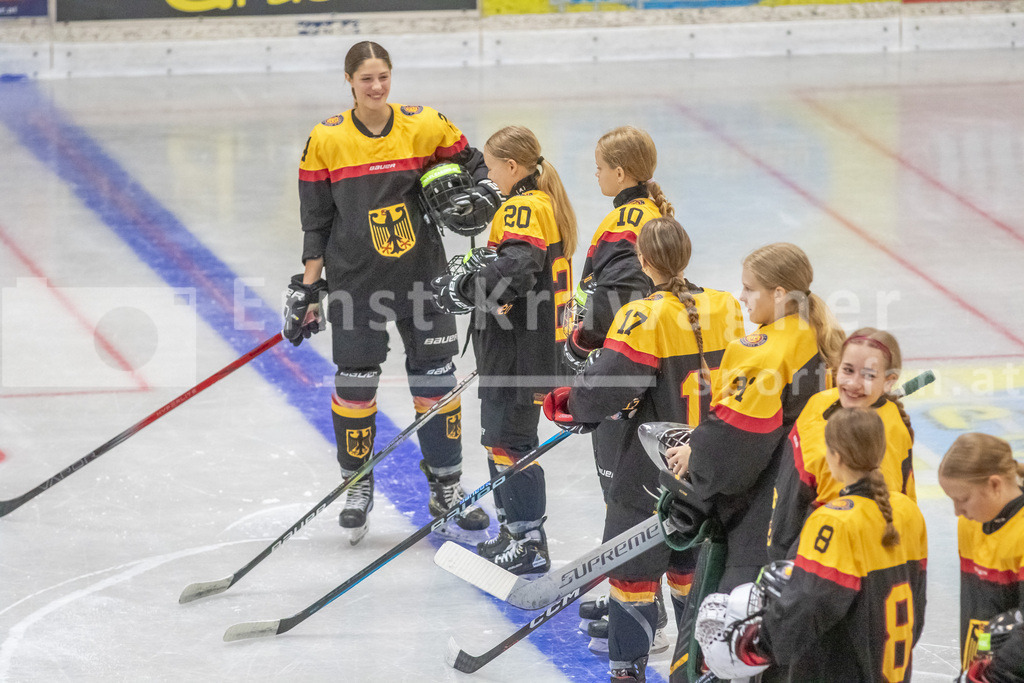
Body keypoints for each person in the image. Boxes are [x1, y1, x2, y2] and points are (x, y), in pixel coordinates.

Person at [282, 41, 500, 542]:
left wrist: (481, 193)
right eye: (366, 80)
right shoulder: (327, 139)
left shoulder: (424, 125)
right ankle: (356, 486)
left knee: (436, 383)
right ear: (349, 82)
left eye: (383, 77)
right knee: (356, 385)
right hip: (356, 282)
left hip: (423, 278)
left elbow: (477, 166)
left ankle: (446, 489)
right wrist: (308, 289)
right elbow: (315, 221)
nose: (376, 87)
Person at [544, 216, 744, 682]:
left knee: (632, 575)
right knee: (693, 568)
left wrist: (569, 404)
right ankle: (698, 667)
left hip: (649, 471)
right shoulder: (727, 306)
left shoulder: (643, 316)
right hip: (708, 463)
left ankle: (627, 671)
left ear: (644, 262)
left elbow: (602, 391)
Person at [661, 242, 843, 682]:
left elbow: (738, 444)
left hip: (762, 511)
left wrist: (696, 457)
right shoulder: (814, 335)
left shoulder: (763, 350)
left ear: (780, 294)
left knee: (733, 633)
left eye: (749, 289)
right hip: (807, 502)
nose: (742, 299)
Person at [432, 124, 577, 576]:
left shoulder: (523, 207)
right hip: (526, 349)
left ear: (512, 167)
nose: (488, 177)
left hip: (519, 352)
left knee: (510, 443)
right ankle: (514, 530)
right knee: (502, 441)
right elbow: (514, 264)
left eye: (492, 169)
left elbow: (518, 271)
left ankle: (529, 540)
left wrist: (466, 286)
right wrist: (486, 267)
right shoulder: (541, 202)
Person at [697, 407, 928, 682]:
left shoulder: (832, 522)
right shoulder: (909, 512)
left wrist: (758, 644)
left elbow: (809, 605)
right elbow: (918, 603)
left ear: (836, 457)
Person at [564, 125, 674, 502]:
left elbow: (620, 292)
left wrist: (582, 344)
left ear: (621, 173)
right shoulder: (652, 210)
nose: (596, 174)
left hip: (622, 364)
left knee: (623, 497)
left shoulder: (626, 221)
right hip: (652, 363)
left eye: (599, 168)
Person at [768, 327, 916, 561]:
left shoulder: (880, 440)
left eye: (868, 375)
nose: (853, 384)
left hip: (831, 562)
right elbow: (792, 488)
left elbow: (871, 530)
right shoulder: (819, 403)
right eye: (848, 370)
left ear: (889, 382)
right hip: (791, 549)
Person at [938, 433, 1024, 683]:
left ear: (995, 485)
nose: (957, 511)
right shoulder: (971, 522)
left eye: (963, 499)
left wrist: (988, 676)